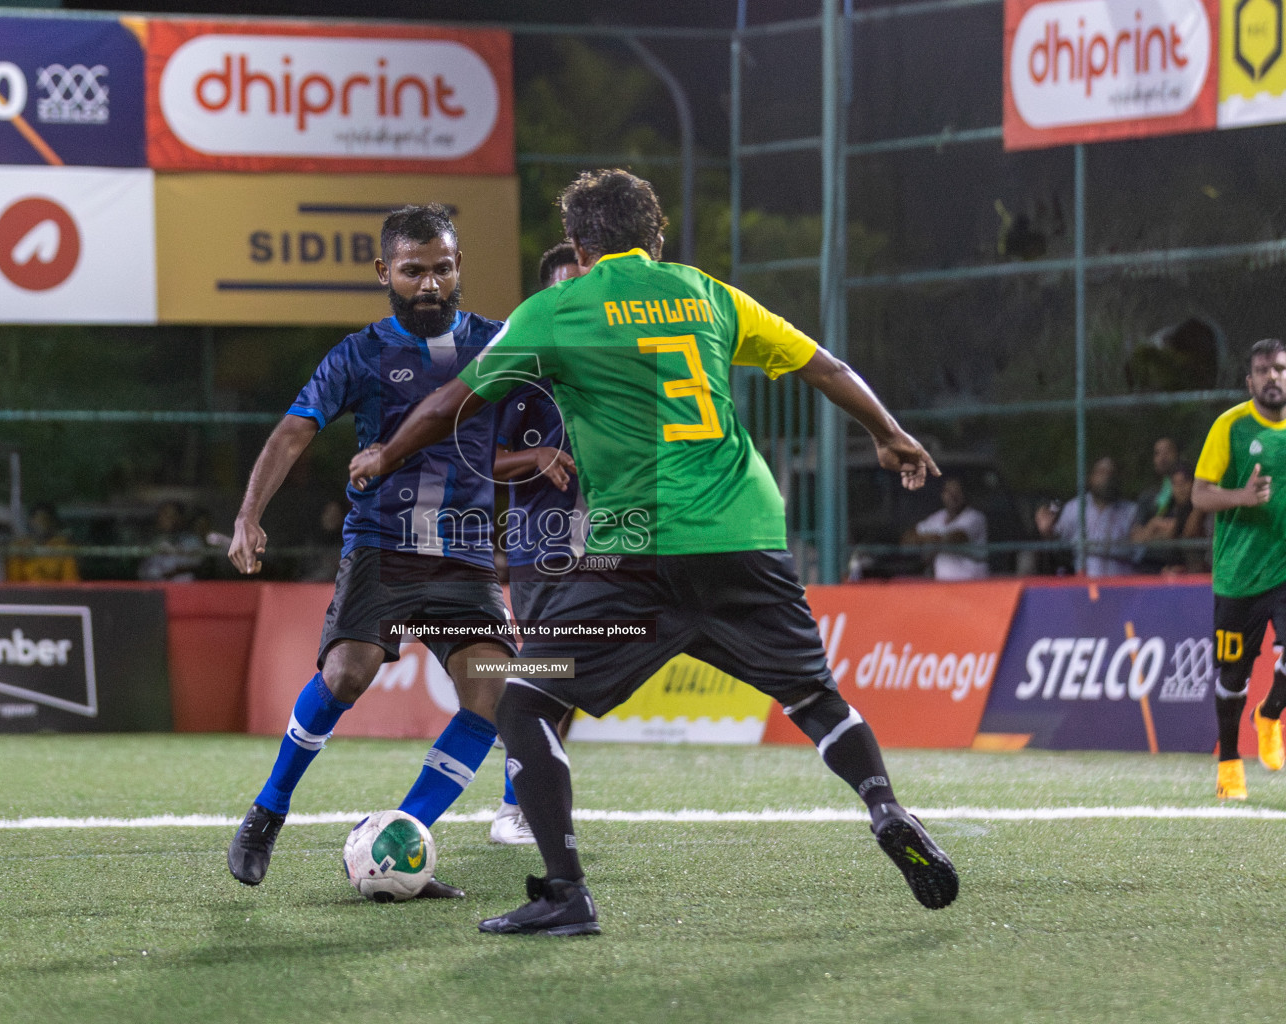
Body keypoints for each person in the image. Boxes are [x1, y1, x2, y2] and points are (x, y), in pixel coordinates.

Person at [350, 169, 958, 936]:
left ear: (578, 244)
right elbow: (825, 367)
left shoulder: (558, 307)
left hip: (636, 554)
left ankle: (565, 893)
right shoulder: (707, 294)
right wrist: (889, 432)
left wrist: (385, 453)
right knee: (813, 697)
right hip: (745, 534)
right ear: (656, 236)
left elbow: (448, 404)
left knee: (525, 695)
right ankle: (884, 806)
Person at [225, 204, 517, 900]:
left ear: (458, 269)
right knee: (346, 676)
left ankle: (400, 838)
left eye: (443, 269)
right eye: (414, 271)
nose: (430, 285)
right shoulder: (358, 355)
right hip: (382, 548)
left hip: (464, 557)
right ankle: (269, 808)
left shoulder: (499, 344)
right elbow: (294, 432)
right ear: (384, 272)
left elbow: (521, 439)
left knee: (493, 691)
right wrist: (248, 515)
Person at [488, 242, 585, 845]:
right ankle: (512, 806)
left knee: (569, 680)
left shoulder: (617, 367)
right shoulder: (525, 372)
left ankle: (531, 796)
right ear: (548, 296)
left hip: (608, 546)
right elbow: (482, 457)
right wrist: (537, 454)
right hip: (540, 549)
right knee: (550, 673)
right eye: (567, 288)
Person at [1192, 338, 1286, 801]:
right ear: (1250, 381)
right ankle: (1230, 763)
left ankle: (1270, 713)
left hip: (1285, 568)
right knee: (1232, 679)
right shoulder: (1229, 427)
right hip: (1239, 575)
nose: (1274, 377)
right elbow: (1199, 494)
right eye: (1265, 370)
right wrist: (1242, 498)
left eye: (1281, 369)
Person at [1034, 456, 1139, 576]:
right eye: (1101, 472)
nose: (1107, 477)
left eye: (1111, 473)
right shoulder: (1074, 508)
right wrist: (1047, 531)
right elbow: (1058, 543)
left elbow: (1140, 550)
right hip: (1084, 585)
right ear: (1091, 478)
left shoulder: (1131, 511)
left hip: (1122, 585)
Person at [904, 477, 988, 580]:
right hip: (943, 585)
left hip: (972, 584)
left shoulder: (975, 517)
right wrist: (930, 539)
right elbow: (907, 539)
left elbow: (956, 538)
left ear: (965, 494)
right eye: (949, 492)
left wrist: (927, 540)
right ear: (942, 495)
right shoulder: (937, 517)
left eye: (957, 492)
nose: (953, 496)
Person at [1130, 463, 1206, 574]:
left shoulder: (1201, 507)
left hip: (1198, 575)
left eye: (1184, 482)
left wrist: (1156, 525)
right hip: (1172, 573)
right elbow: (1139, 539)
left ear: (1193, 483)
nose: (1180, 488)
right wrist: (1153, 524)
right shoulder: (1172, 509)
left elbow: (1188, 532)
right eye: (1176, 484)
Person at [6, 502, 79, 583]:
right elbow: (13, 582)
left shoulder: (63, 547)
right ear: (31, 521)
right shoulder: (19, 547)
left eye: (46, 519)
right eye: (38, 519)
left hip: (55, 594)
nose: (42, 523)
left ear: (53, 522)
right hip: (26, 594)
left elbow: (70, 582)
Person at [138, 501, 204, 583]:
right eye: (162, 515)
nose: (164, 519)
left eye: (170, 515)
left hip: (182, 588)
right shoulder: (153, 540)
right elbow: (145, 568)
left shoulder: (191, 540)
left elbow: (195, 564)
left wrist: (172, 572)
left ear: (179, 518)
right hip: (154, 588)